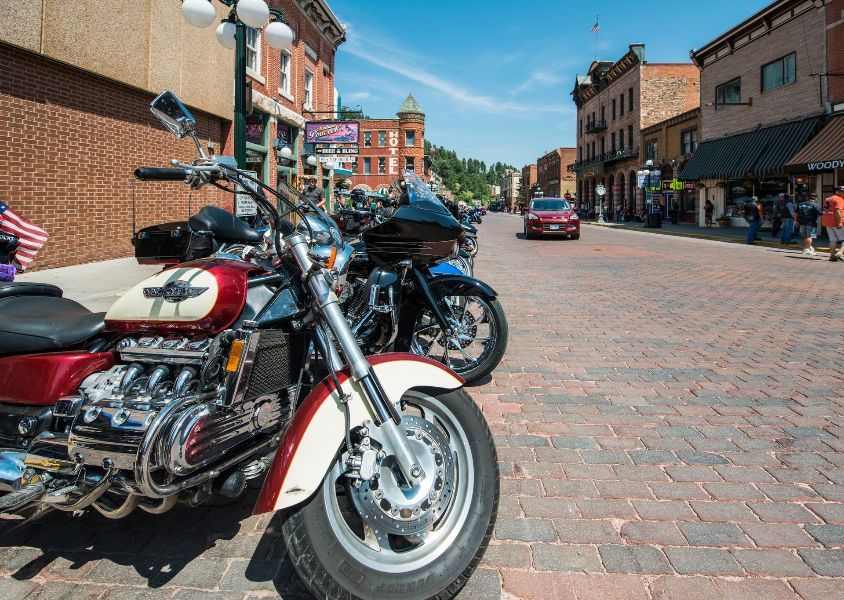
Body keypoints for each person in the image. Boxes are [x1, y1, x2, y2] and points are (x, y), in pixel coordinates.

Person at [822, 186, 844, 262]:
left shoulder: (828, 198)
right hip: (836, 222)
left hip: (828, 222)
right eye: (842, 191)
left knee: (833, 240)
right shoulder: (839, 199)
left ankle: (831, 256)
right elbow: (838, 211)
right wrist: (840, 222)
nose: (843, 193)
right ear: (837, 192)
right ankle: (839, 253)